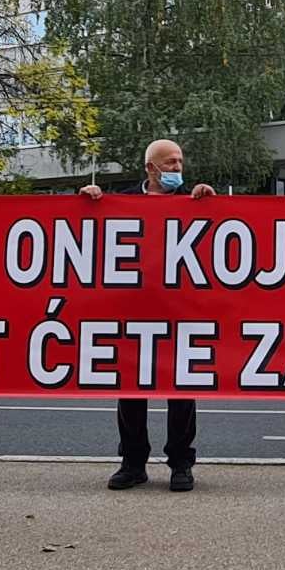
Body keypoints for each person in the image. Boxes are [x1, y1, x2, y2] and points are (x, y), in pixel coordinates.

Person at [81, 139, 215, 492]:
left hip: (180, 311)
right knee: (130, 390)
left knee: (182, 390)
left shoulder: (194, 202)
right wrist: (89, 199)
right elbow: (89, 234)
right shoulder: (119, 201)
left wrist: (211, 201)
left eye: (180, 163)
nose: (177, 169)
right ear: (150, 168)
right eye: (170, 163)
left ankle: (181, 464)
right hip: (132, 311)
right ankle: (132, 463)